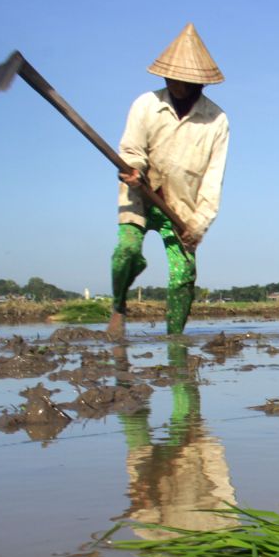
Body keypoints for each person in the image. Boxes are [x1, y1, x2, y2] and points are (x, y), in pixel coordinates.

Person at [108, 23, 230, 340]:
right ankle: (119, 306)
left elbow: (213, 178)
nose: (176, 83)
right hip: (140, 195)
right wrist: (134, 170)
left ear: (199, 82)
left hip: (182, 206)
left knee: (183, 274)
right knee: (127, 252)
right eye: (172, 77)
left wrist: (199, 224)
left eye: (184, 80)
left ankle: (175, 339)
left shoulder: (216, 120)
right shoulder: (146, 105)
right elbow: (132, 149)